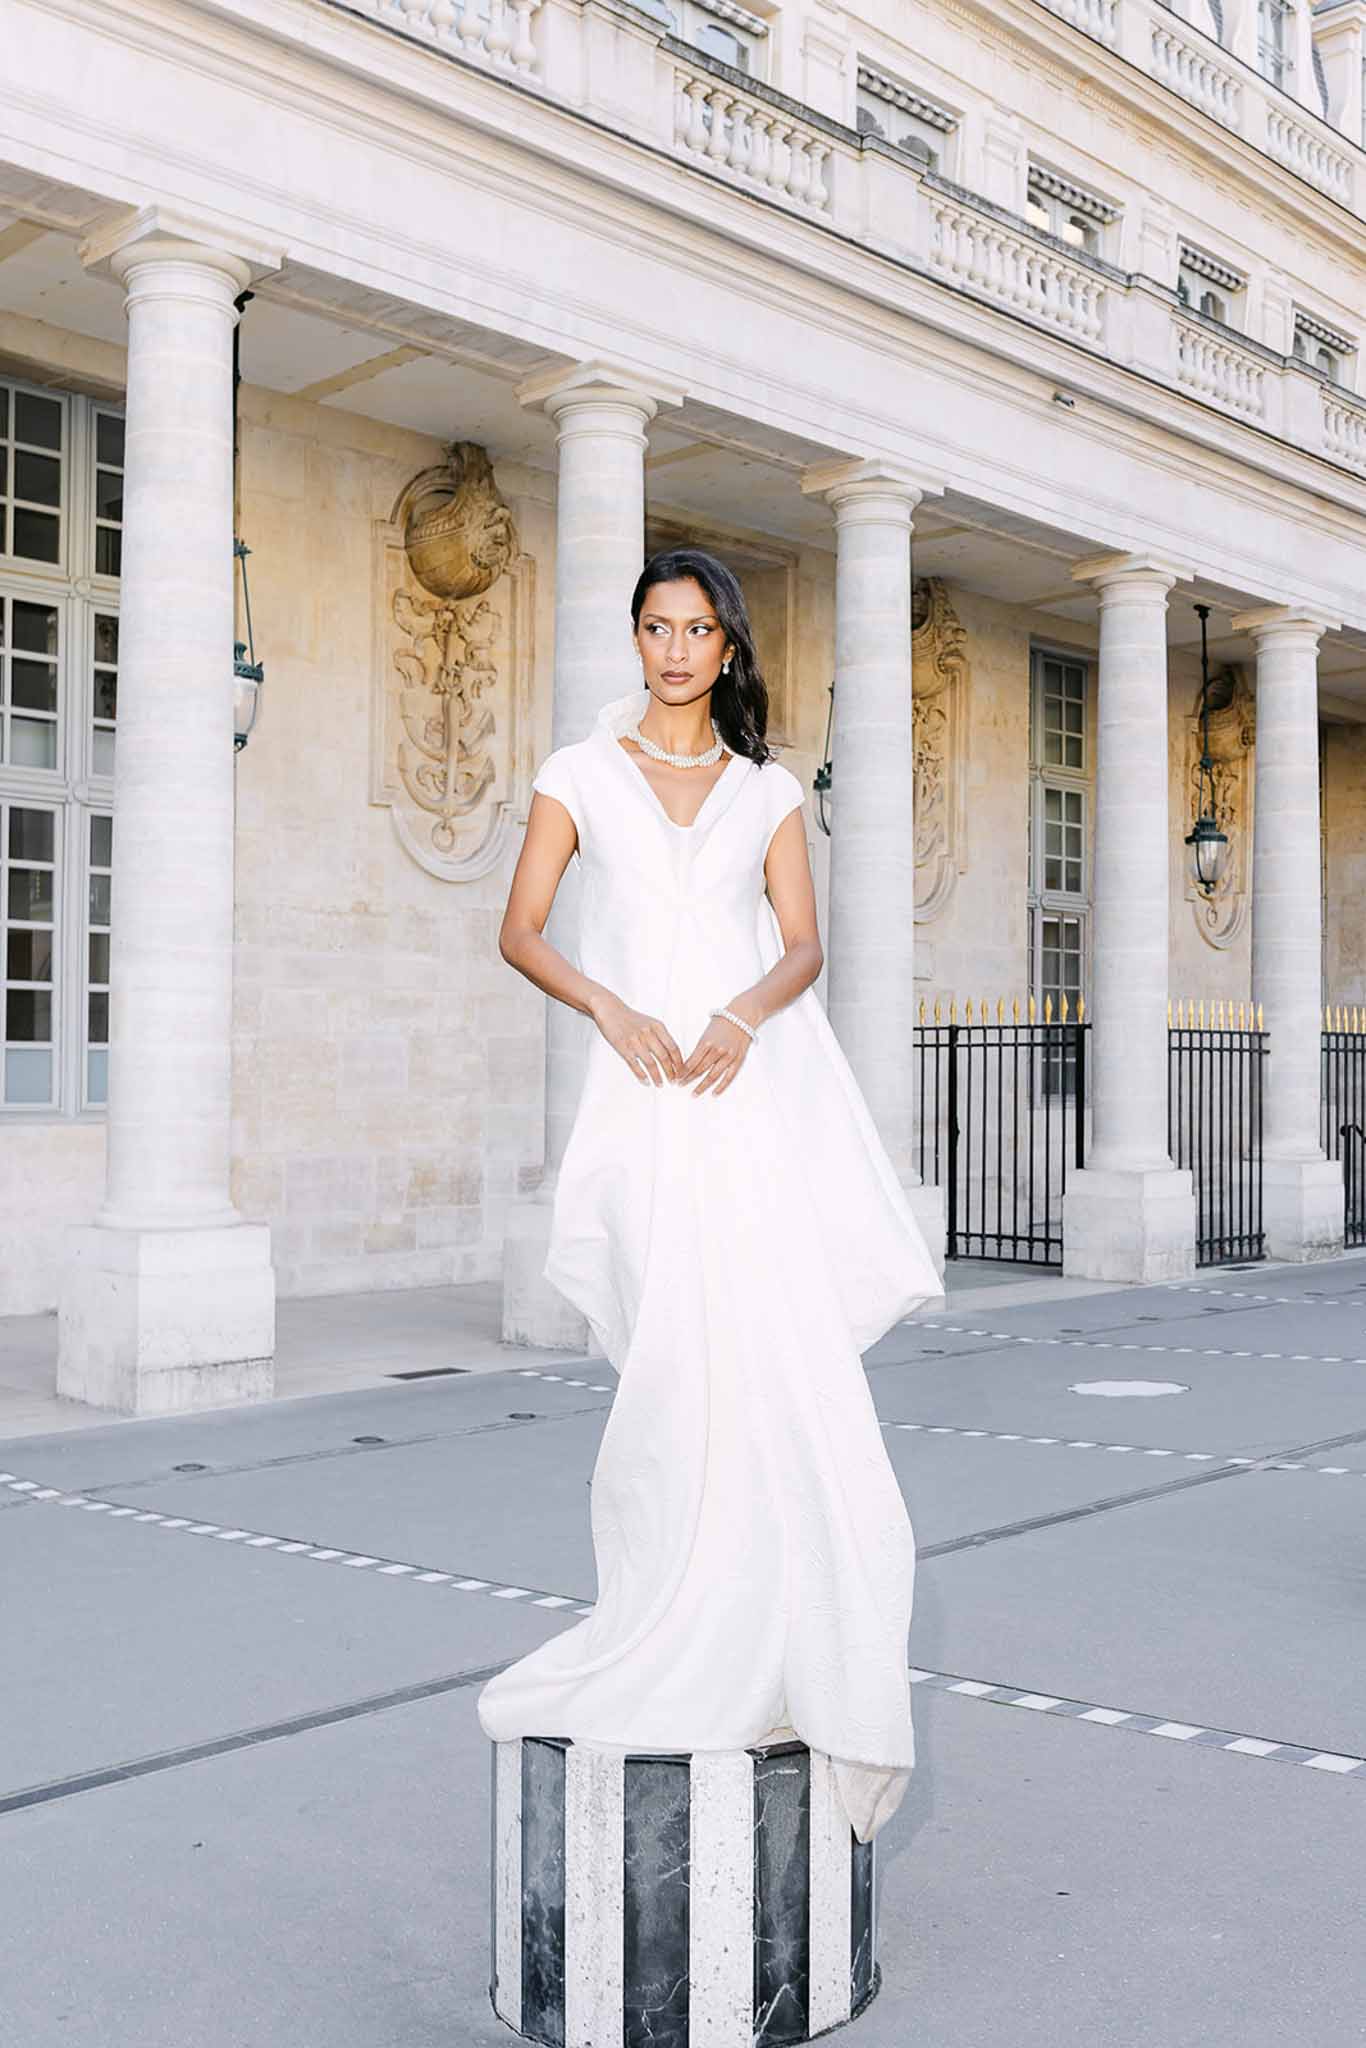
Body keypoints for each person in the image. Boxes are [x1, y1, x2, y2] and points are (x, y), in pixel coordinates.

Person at [476, 545, 945, 1843]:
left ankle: (775, 1610)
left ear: (727, 648)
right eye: (654, 627)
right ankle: (667, 1592)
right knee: (668, 1346)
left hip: (742, 1095)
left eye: (695, 629)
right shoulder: (576, 774)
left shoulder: (766, 792)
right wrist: (610, 1007)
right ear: (635, 641)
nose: (673, 648)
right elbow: (520, 929)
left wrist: (739, 1014)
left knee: (759, 1340)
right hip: (642, 1094)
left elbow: (801, 945)